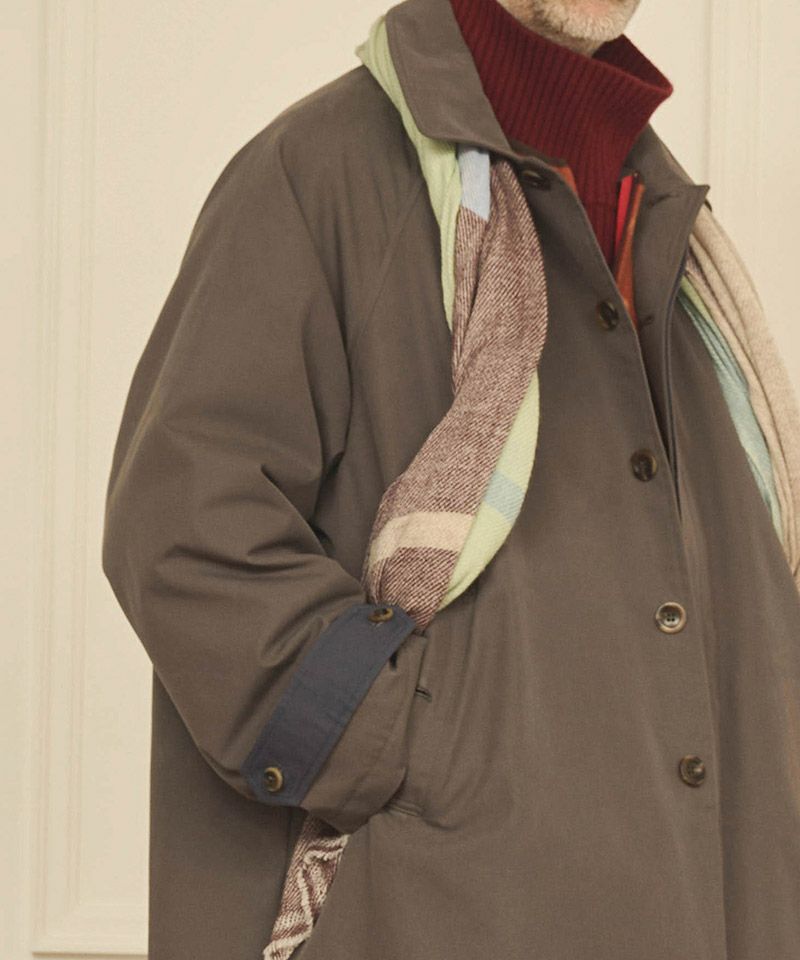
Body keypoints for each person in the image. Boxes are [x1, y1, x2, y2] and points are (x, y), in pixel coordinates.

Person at [101, 0, 800, 957]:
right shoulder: (318, 176)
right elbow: (185, 537)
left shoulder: (665, 228)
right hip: (437, 916)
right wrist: (420, 741)